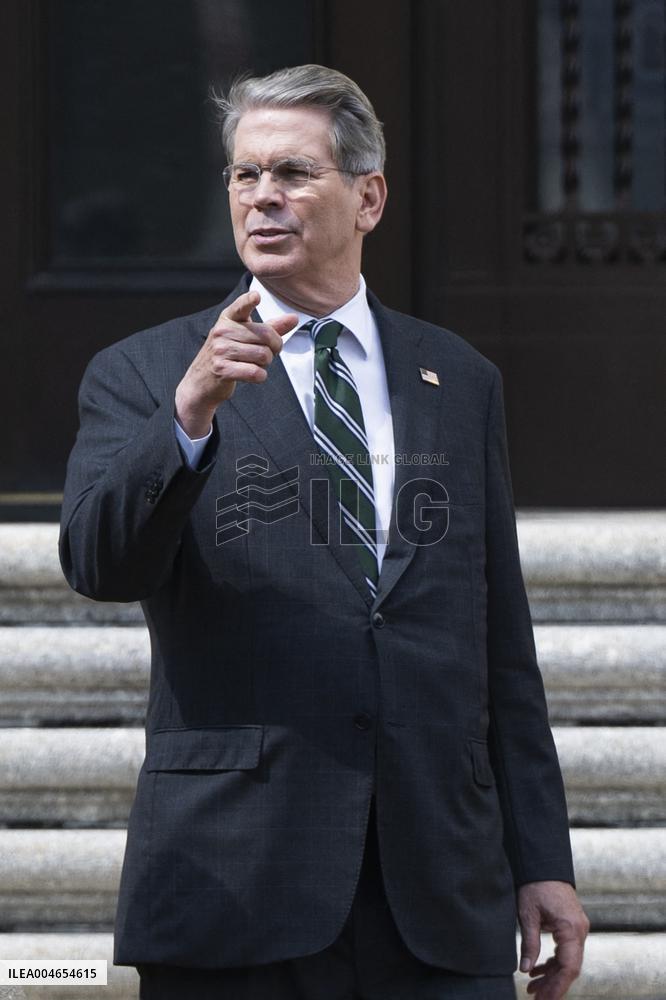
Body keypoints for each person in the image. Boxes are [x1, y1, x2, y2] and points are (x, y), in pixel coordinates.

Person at [59, 64, 589, 1000]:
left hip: (437, 893)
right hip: (236, 884)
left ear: (368, 196)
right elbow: (99, 564)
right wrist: (186, 419)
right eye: (243, 174)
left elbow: (498, 637)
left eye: (294, 173)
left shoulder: (457, 379)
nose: (263, 195)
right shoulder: (145, 373)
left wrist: (539, 857)